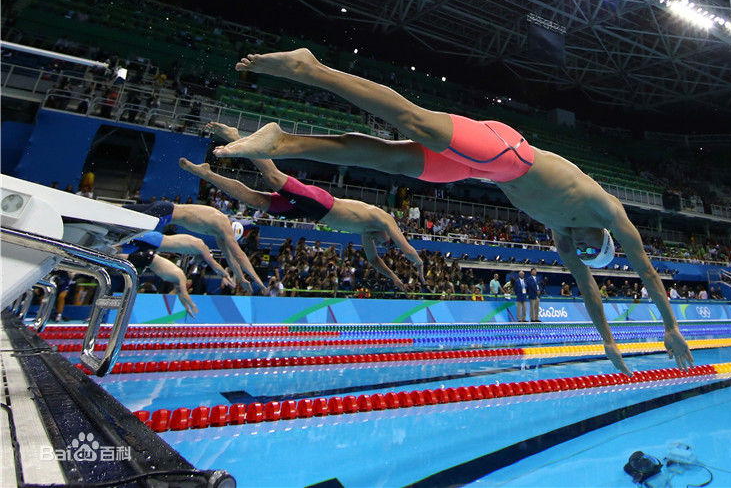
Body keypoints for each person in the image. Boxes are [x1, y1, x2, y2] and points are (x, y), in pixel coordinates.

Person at [215, 48, 693, 374]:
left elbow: (588, 287)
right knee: (414, 121)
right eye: (594, 249)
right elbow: (646, 270)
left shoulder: (563, 235)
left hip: (483, 171)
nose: (584, 251)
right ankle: (310, 68)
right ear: (605, 238)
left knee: (390, 157)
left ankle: (282, 141)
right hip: (509, 153)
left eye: (587, 253)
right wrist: (670, 325)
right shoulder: (604, 207)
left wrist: (607, 340)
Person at [180, 122, 425, 292]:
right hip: (320, 202)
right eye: (388, 242)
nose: (385, 245)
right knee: (273, 177)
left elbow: (374, 262)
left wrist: (395, 278)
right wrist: (419, 267)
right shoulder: (383, 219)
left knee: (256, 200)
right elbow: (408, 248)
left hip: (310, 212)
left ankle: (208, 174)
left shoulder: (368, 234)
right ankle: (236, 137)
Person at [122, 199, 267, 294]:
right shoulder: (223, 224)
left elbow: (231, 258)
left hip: (165, 209)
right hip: (165, 213)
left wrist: (241, 278)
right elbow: (239, 255)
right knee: (124, 231)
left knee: (121, 213)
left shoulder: (219, 234)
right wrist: (257, 280)